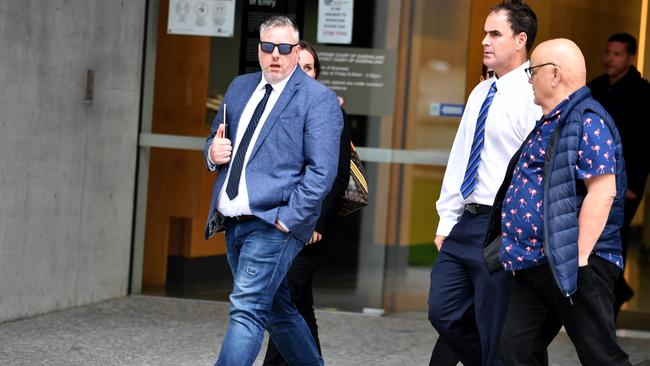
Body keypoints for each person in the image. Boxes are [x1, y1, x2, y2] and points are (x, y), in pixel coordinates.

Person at [204, 16, 343, 366]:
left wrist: (289, 220)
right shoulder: (240, 87)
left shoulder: (317, 99)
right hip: (234, 221)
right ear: (259, 50)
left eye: (284, 48)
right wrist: (211, 152)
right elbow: (215, 137)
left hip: (273, 224)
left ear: (296, 52)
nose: (275, 55)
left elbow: (321, 171)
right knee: (277, 310)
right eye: (268, 47)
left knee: (247, 309)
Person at [497, 38, 631, 366]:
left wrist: (578, 258)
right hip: (537, 262)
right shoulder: (555, 119)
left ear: (555, 74)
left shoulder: (587, 118)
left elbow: (603, 191)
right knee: (517, 349)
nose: (530, 78)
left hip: (573, 261)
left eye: (534, 70)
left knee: (600, 356)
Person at [428, 1, 540, 365]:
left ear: (520, 40)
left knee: (494, 324)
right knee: (441, 310)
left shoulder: (532, 95)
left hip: (503, 225)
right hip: (467, 223)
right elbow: (460, 158)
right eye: (484, 34)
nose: (484, 42)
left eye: (495, 34)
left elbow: (533, 170)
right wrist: (447, 220)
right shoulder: (481, 92)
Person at [262, 40, 352, 366]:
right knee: (299, 305)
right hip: (277, 223)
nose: (303, 72)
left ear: (316, 74)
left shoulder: (330, 111)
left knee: (283, 296)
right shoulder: (272, 111)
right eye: (297, 65)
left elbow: (337, 176)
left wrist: (316, 222)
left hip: (310, 228)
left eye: (309, 67)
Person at [588, 32, 650, 316]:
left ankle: (611, 298)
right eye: (607, 52)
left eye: (616, 54)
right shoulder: (595, 88)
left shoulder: (642, 92)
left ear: (630, 58)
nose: (609, 59)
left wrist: (633, 183)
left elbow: (642, 144)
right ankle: (612, 291)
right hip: (594, 178)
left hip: (626, 183)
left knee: (616, 236)